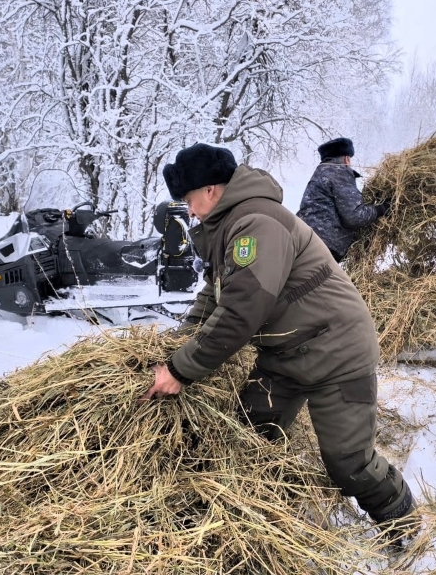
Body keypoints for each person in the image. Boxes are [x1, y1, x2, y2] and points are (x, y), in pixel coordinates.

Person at [140, 142, 416, 542]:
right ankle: (260, 524)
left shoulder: (257, 224)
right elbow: (215, 297)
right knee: (249, 437)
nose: (191, 210)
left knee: (348, 463)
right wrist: (174, 344)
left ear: (210, 191)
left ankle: (405, 529)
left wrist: (181, 370)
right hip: (285, 355)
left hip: (336, 351)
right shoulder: (232, 225)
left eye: (189, 200)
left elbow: (240, 311)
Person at [296, 137, 390, 263]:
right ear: (346, 158)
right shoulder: (339, 172)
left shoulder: (320, 174)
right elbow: (354, 217)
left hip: (305, 241)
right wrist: (381, 209)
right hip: (324, 246)